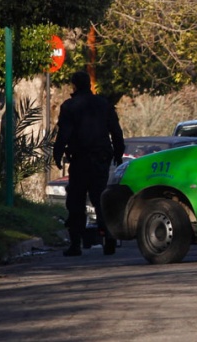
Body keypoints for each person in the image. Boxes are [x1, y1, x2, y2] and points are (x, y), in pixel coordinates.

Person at [53, 71, 125, 256]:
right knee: (100, 198)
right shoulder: (103, 104)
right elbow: (116, 131)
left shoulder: (70, 107)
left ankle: (75, 244)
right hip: (100, 159)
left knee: (76, 201)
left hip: (80, 159)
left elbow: (64, 134)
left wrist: (58, 153)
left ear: (74, 85)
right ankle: (109, 237)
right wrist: (118, 152)